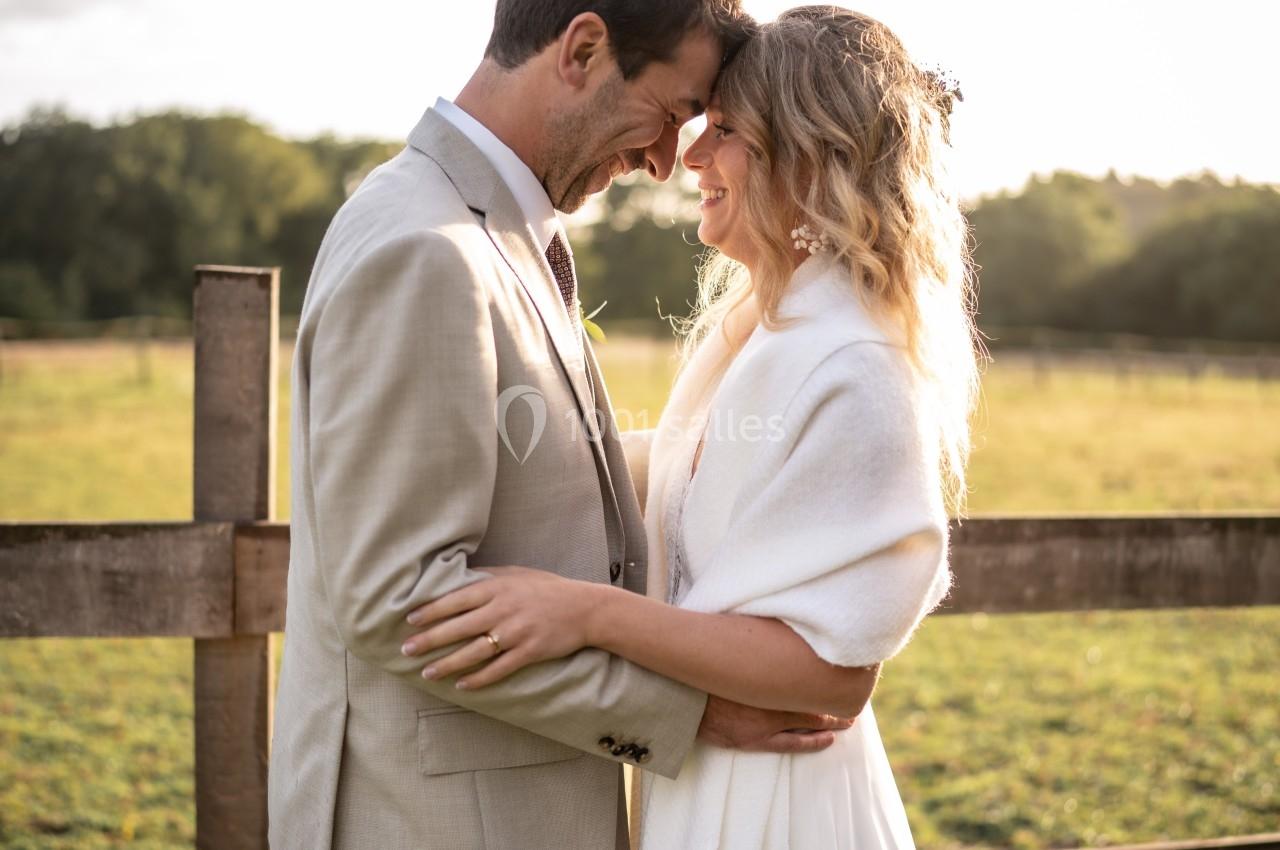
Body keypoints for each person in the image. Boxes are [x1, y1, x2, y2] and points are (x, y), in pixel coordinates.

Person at [268, 3, 865, 850]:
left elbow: (518, 466)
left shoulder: (489, 227)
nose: (665, 161)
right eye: (668, 114)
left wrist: (754, 457)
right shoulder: (425, 248)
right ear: (583, 49)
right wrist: (683, 711)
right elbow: (399, 601)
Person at [401, 6, 982, 848]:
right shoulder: (767, 332)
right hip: (708, 784)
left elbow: (832, 675)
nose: (693, 158)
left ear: (812, 159)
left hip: (780, 805)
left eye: (728, 131)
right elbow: (691, 477)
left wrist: (586, 614)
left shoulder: (853, 364)